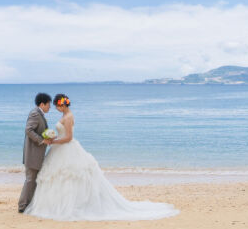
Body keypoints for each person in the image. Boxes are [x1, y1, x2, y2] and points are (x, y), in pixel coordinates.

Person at [23, 94, 178, 221]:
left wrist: (54, 141)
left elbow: (69, 137)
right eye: (53, 105)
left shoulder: (68, 117)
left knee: (69, 177)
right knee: (58, 178)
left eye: (56, 105)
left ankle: (67, 206)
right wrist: (52, 139)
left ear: (62, 105)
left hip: (66, 148)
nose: (55, 108)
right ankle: (52, 204)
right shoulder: (64, 115)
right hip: (59, 148)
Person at [18, 92, 53, 213]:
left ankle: (28, 204)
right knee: (30, 180)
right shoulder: (35, 113)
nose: (50, 107)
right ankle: (22, 206)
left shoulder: (40, 114)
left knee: (33, 180)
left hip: (36, 154)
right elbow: (28, 130)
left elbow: (38, 130)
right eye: (48, 104)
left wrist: (48, 137)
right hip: (32, 154)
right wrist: (42, 140)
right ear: (42, 104)